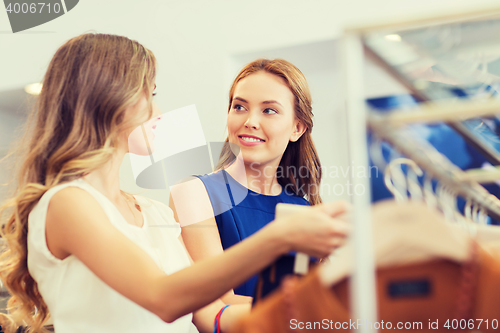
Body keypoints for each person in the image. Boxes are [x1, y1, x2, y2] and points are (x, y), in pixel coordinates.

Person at [0, 34, 349, 333]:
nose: (158, 112)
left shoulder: (151, 212)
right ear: (107, 100)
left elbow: (209, 308)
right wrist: (279, 239)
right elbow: (164, 298)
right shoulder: (68, 203)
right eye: (149, 96)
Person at [170, 59, 329, 303]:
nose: (250, 121)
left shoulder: (305, 211)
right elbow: (218, 302)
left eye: (269, 110)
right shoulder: (193, 193)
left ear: (297, 128)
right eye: (239, 107)